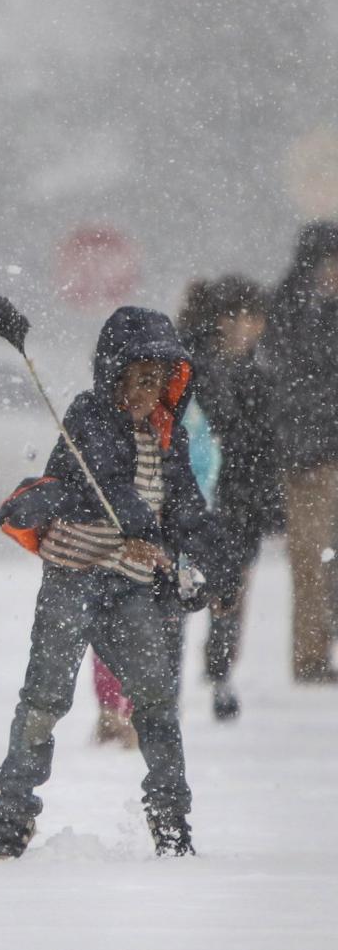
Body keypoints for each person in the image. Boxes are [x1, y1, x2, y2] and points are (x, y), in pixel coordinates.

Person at [0, 283, 237, 860]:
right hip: (74, 577)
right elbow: (107, 482)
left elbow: (188, 508)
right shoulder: (86, 416)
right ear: (113, 373)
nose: (149, 392)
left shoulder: (168, 437)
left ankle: (172, 824)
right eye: (139, 377)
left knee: (156, 703)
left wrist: (216, 565)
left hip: (131, 590)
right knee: (44, 700)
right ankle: (12, 817)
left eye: (159, 379)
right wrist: (142, 529)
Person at [178, 276, 281, 715]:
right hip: (200, 495)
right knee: (181, 588)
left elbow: (266, 448)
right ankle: (181, 676)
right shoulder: (193, 370)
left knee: (231, 589)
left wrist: (268, 504)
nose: (244, 326)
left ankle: (219, 672)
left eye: (252, 316)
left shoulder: (260, 376)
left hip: (240, 498)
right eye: (234, 315)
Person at [265, 222, 338, 682]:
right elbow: (287, 388)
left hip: (313, 450)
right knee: (311, 561)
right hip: (307, 460)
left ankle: (317, 651)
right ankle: (310, 656)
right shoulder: (288, 313)